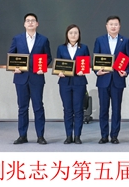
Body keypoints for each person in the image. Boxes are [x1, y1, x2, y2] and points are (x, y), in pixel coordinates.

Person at [8, 13, 52, 145]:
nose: (30, 23)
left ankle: (40, 136)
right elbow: (11, 55)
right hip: (21, 77)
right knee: (22, 107)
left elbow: (48, 57)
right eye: (28, 21)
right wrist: (14, 68)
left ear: (37, 24)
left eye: (33, 20)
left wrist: (43, 67)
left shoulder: (43, 40)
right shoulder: (17, 39)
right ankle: (22, 135)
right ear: (24, 24)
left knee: (38, 107)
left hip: (37, 77)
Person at [93, 15, 129, 144]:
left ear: (119, 26)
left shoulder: (125, 41)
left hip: (118, 80)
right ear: (106, 26)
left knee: (116, 109)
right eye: (111, 24)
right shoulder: (99, 40)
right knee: (103, 109)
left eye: (116, 24)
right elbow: (95, 59)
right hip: (103, 79)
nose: (113, 26)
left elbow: (128, 59)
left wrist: (126, 72)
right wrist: (96, 71)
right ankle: (104, 136)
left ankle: (114, 135)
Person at [56, 24, 91, 144]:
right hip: (65, 82)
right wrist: (59, 72)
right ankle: (68, 136)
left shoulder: (84, 48)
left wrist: (84, 70)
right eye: (71, 33)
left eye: (76, 33)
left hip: (79, 82)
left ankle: (77, 136)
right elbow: (58, 64)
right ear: (67, 34)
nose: (73, 35)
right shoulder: (61, 48)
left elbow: (87, 63)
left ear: (79, 35)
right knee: (67, 109)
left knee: (78, 109)